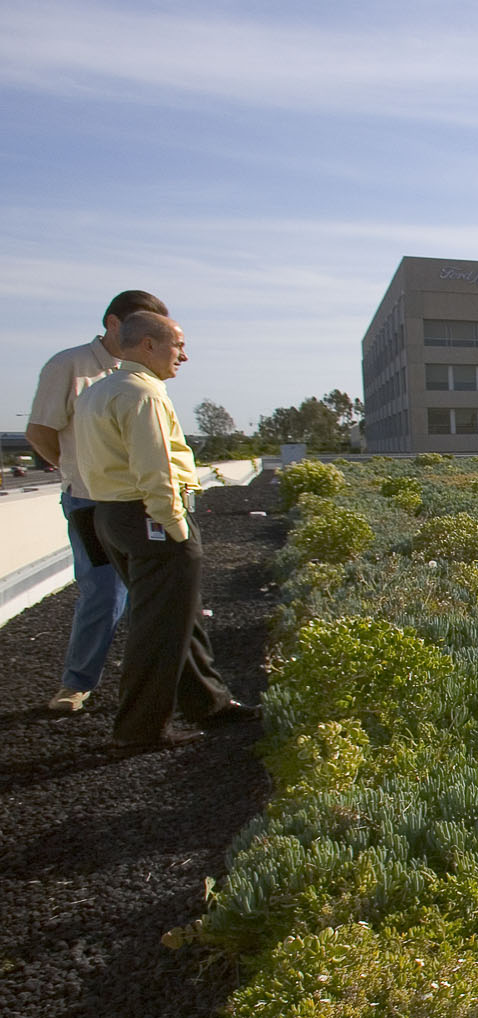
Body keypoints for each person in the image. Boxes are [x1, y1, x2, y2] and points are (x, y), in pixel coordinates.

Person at [72, 311, 257, 749]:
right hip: (147, 517)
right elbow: (153, 470)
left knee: (177, 617)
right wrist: (176, 529)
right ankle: (139, 731)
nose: (184, 356)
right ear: (148, 345)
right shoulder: (143, 394)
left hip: (110, 514)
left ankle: (208, 702)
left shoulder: (99, 391)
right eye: (177, 345)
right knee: (157, 628)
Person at [25, 290, 168, 712]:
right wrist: (75, 473)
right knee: (103, 592)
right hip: (90, 503)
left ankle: (165, 687)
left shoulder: (146, 373)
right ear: (113, 324)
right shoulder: (69, 366)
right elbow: (39, 431)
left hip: (142, 502)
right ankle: (77, 684)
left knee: (163, 591)